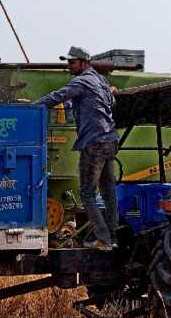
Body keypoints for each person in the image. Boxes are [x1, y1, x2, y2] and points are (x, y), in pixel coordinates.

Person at [35, 46, 119, 251]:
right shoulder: (101, 80)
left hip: (94, 142)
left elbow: (57, 97)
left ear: (84, 63)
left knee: (87, 193)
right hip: (110, 140)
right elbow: (112, 101)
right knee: (109, 193)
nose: (69, 66)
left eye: (72, 62)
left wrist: (30, 107)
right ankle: (112, 238)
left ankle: (103, 240)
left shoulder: (82, 81)